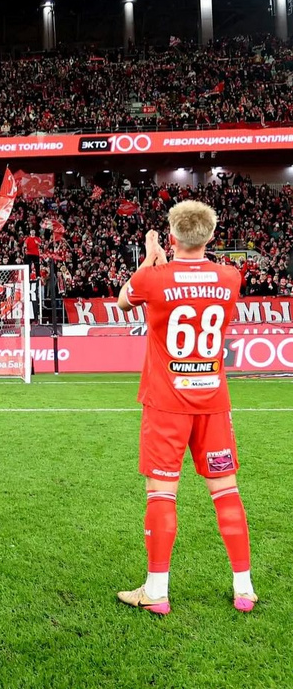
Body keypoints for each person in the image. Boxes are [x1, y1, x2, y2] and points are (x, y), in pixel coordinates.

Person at [114, 201, 255, 615]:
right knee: (226, 491)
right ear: (210, 236)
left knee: (162, 492)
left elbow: (124, 302)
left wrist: (149, 259)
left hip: (166, 403)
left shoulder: (153, 278)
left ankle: (157, 591)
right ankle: (244, 589)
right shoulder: (230, 277)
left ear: (171, 236)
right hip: (213, 402)